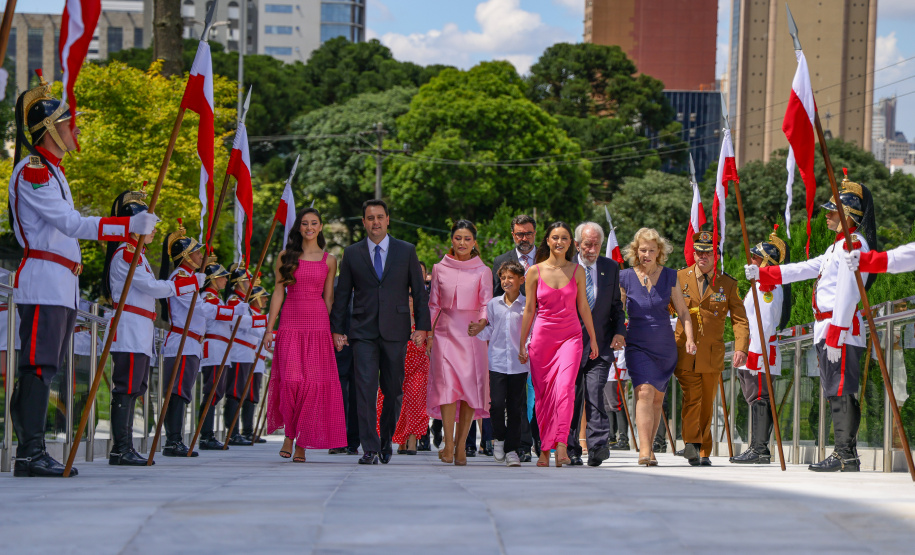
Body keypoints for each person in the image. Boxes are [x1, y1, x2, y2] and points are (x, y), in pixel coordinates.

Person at [8, 71, 158, 476]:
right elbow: (71, 224)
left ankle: (32, 449)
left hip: (61, 284)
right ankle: (29, 453)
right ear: (48, 130)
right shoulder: (34, 170)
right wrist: (127, 226)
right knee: (37, 367)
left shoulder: (55, 172)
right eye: (67, 124)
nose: (74, 130)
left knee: (45, 368)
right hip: (42, 278)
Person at [746, 173, 876, 472]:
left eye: (832, 212)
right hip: (829, 327)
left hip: (838, 328)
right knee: (836, 391)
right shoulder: (836, 247)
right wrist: (765, 274)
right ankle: (846, 453)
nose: (827, 216)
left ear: (849, 216)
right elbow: (806, 268)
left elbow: (848, 291)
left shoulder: (853, 245)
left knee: (841, 390)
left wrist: (837, 332)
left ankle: (845, 454)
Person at [330, 200, 430, 465]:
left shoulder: (406, 250)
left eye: (379, 217)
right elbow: (342, 295)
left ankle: (386, 439)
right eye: (369, 218)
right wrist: (337, 330)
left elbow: (419, 292)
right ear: (363, 222)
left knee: (393, 389)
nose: (375, 222)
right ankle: (370, 447)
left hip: (396, 330)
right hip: (362, 331)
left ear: (388, 220)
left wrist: (422, 327)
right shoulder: (352, 253)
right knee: (364, 388)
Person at [101, 189, 191, 466]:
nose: (153, 231)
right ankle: (121, 448)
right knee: (125, 389)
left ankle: (125, 447)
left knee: (135, 387)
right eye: (149, 226)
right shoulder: (126, 255)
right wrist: (185, 285)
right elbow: (151, 287)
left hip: (139, 328)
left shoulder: (137, 255)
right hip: (128, 328)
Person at [265, 208, 347, 463]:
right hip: (290, 322)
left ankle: (300, 440)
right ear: (299, 227)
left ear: (321, 226)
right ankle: (289, 432)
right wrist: (270, 328)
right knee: (290, 381)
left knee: (312, 384)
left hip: (319, 325)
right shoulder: (285, 256)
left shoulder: (330, 259)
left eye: (314, 223)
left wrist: (336, 331)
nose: (309, 227)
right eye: (304, 223)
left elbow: (330, 298)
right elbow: (278, 292)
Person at [519, 221, 598, 467]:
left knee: (565, 389)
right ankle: (544, 448)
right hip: (542, 340)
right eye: (555, 237)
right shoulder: (534, 271)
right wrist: (522, 343)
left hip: (570, 338)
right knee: (543, 397)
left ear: (570, 243)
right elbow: (530, 309)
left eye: (564, 238)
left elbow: (583, 306)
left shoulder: (577, 271)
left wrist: (593, 338)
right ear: (548, 241)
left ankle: (561, 444)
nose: (559, 242)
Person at [620, 228, 696, 466]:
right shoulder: (625, 277)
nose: (647, 254)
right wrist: (615, 333)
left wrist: (690, 339)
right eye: (642, 249)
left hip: (665, 346)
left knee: (656, 400)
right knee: (643, 391)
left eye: (651, 250)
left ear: (659, 252)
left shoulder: (670, 276)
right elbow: (617, 310)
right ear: (636, 251)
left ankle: (649, 447)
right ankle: (643, 451)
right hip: (637, 343)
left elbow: (683, 311)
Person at [675, 230, 748, 466]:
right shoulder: (679, 278)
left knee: (707, 401)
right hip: (684, 350)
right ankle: (692, 444)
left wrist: (741, 347)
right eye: (698, 252)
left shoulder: (726, 283)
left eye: (707, 253)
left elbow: (739, 318)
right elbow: (664, 308)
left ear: (715, 254)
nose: (702, 257)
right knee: (691, 397)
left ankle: (703, 450)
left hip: (711, 353)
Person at [426, 220, 492, 465]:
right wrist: (430, 335)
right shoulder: (439, 268)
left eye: (467, 239)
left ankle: (462, 445)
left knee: (468, 391)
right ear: (451, 240)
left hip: (472, 334)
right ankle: (449, 443)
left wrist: (483, 322)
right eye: (458, 238)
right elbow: (433, 304)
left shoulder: (483, 271)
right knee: (447, 388)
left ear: (474, 242)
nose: (462, 243)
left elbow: (486, 303)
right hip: (444, 333)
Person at [158, 223, 226, 457]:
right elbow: (199, 309)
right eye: (197, 252)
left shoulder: (189, 278)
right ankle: (172, 441)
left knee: (182, 391)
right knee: (177, 391)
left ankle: (175, 439)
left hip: (191, 342)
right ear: (186, 256)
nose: (200, 256)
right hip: (182, 341)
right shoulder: (181, 277)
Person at [566, 222, 626, 467]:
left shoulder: (611, 268)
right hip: (569, 345)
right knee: (572, 398)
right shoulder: (566, 268)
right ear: (577, 244)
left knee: (594, 394)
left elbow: (616, 308)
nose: (591, 249)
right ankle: (570, 448)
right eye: (587, 244)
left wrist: (619, 332)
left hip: (599, 346)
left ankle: (598, 446)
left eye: (596, 245)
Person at [731, 229, 789, 465]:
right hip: (754, 352)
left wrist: (754, 355)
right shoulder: (758, 286)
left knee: (760, 398)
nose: (750, 261)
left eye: (755, 258)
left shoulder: (767, 288)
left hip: (760, 353)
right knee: (754, 398)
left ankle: (760, 449)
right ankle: (756, 447)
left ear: (765, 262)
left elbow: (764, 325)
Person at [471, 260, 528, 466]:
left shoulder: (527, 305)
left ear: (521, 280)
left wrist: (526, 349)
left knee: (514, 407)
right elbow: (490, 330)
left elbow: (531, 332)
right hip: (496, 362)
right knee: (495, 404)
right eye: (503, 277)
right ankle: (499, 439)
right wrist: (478, 331)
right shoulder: (493, 304)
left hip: (519, 363)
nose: (506, 281)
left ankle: (512, 449)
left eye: (510, 277)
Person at [492, 214, 537, 461]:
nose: (524, 238)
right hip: (511, 342)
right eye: (519, 234)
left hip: (541, 333)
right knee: (515, 398)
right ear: (513, 235)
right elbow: (495, 302)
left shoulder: (546, 259)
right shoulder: (501, 261)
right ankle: (519, 445)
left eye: (528, 233)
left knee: (538, 394)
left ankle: (539, 443)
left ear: (535, 234)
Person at [198, 260, 251, 450]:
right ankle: (205, 435)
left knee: (217, 392)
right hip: (214, 346)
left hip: (221, 346)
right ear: (212, 279)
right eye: (221, 277)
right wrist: (236, 311)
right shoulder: (209, 297)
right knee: (212, 392)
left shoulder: (217, 297)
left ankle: (208, 434)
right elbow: (213, 314)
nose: (224, 281)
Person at [374, 294, 431, 455]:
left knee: (416, 402)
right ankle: (399, 440)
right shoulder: (394, 317)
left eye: (413, 297)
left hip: (419, 364)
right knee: (393, 399)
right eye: (407, 297)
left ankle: (412, 440)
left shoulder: (423, 318)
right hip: (397, 363)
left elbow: (431, 339)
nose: (410, 299)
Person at [226, 272, 268, 446]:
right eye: (247, 281)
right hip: (238, 352)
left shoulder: (243, 304)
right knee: (235, 394)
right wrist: (265, 325)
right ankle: (233, 433)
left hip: (248, 354)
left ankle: (245, 431)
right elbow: (242, 323)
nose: (265, 300)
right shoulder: (235, 301)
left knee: (245, 394)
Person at [242, 285, 270, 443]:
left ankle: (248, 429)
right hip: (249, 357)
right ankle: (244, 430)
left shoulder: (258, 315)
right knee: (244, 395)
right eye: (263, 296)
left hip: (258, 360)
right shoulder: (251, 315)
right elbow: (260, 333)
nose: (265, 299)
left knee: (253, 396)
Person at [604, 348, 630, 451]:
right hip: (606, 370)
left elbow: (622, 350)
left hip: (615, 371)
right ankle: (611, 437)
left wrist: (620, 370)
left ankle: (623, 439)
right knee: (607, 406)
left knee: (617, 404)